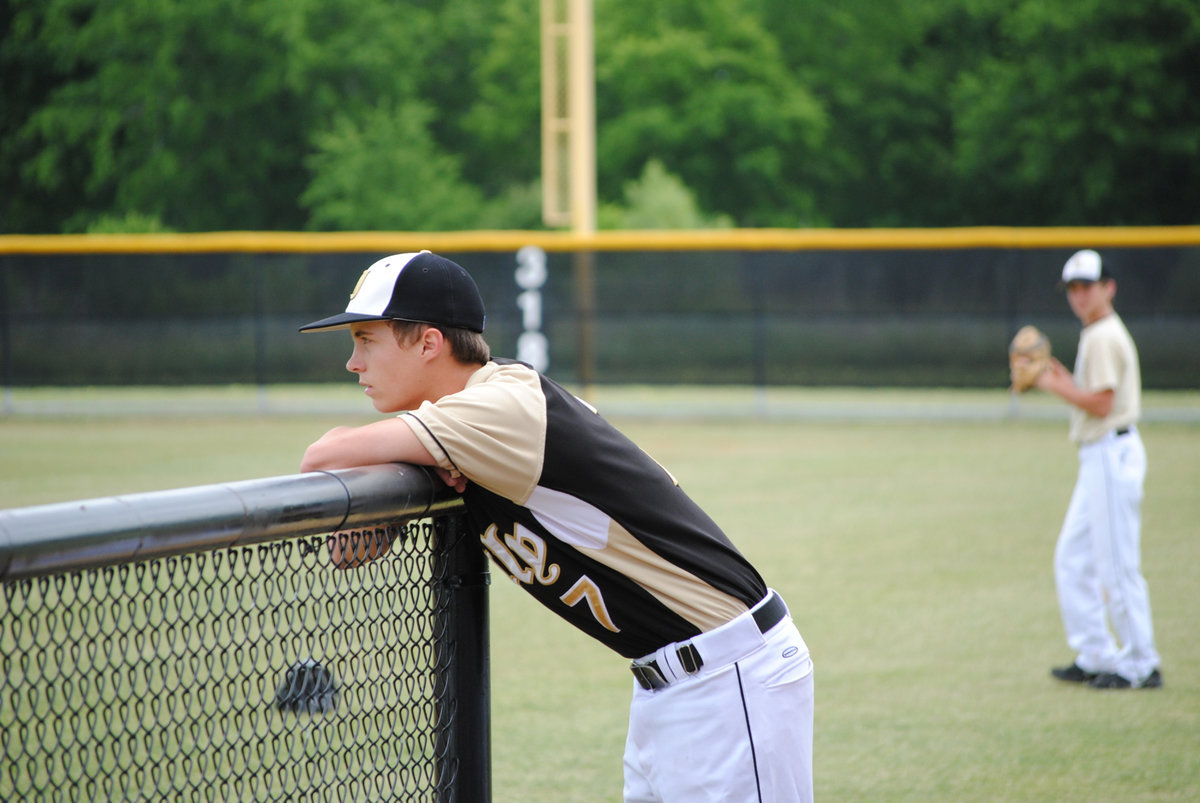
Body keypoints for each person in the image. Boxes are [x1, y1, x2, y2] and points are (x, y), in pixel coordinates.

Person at [299, 250, 814, 801]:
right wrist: (410, 465)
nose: (353, 363)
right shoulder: (462, 422)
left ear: (428, 342)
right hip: (672, 685)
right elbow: (350, 551)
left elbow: (320, 457)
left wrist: (397, 456)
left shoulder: (499, 408)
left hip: (728, 675)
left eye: (365, 340)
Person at [1035, 249, 1162, 690]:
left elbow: (1102, 403)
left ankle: (1140, 663)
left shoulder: (1103, 335)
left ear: (1108, 287)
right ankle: (1096, 653)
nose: (1079, 296)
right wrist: (1066, 381)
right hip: (1099, 456)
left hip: (1111, 453)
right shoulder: (1097, 332)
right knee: (1072, 559)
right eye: (1072, 288)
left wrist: (1055, 385)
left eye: (1086, 286)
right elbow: (1095, 394)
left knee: (1115, 564)